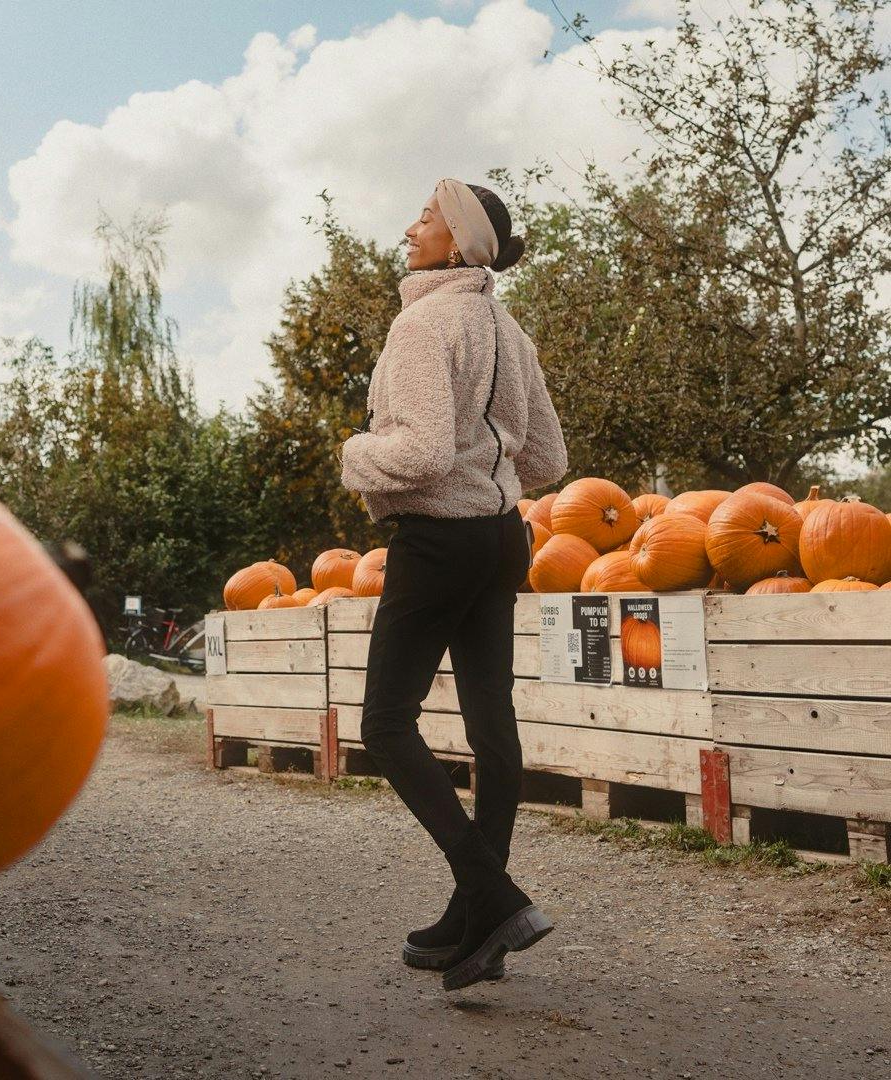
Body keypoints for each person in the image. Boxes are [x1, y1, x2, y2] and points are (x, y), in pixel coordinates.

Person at [338, 178, 568, 992]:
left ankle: (494, 894)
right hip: (504, 540)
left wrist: (354, 455)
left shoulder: (424, 323)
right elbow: (548, 462)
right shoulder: (510, 331)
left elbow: (424, 452)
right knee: (490, 726)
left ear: (459, 241)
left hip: (437, 541)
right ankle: (480, 922)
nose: (410, 227)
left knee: (386, 723)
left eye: (425, 217)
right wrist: (489, 460)